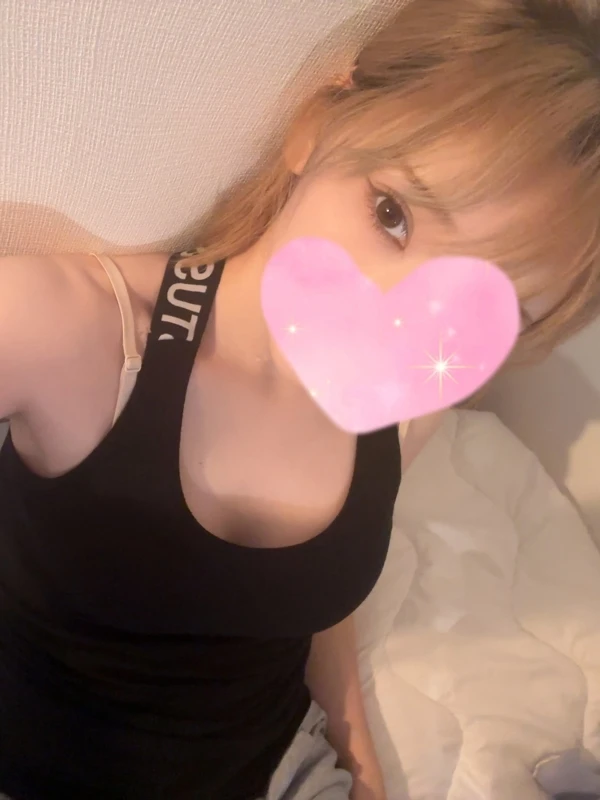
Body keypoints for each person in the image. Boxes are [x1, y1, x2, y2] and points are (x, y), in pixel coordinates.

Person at [0, 0, 599, 798]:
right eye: (392, 215)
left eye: (487, 307)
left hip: (281, 770)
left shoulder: (406, 409)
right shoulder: (68, 330)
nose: (397, 317)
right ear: (314, 128)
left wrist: (359, 756)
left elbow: (313, 599)